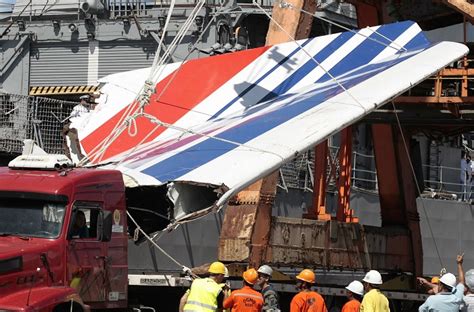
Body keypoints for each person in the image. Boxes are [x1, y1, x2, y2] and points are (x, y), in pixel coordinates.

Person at [62, 95, 91, 160]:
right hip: (76, 125)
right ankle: (80, 154)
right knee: (76, 138)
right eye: (85, 100)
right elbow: (72, 116)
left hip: (83, 125)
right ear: (82, 100)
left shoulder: (87, 109)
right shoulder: (77, 107)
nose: (87, 102)